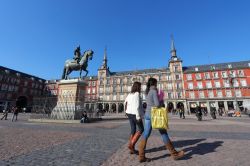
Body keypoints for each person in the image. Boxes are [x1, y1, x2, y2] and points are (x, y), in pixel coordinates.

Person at [138, 78, 184, 162]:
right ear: (154, 83)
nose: (157, 84)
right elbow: (157, 104)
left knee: (146, 133)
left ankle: (141, 156)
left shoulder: (147, 92)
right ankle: (174, 154)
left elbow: (150, 103)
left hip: (147, 115)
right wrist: (161, 101)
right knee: (163, 133)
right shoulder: (154, 91)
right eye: (156, 83)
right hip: (155, 115)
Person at [124, 81, 144, 154]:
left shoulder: (130, 94)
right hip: (135, 114)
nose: (141, 88)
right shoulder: (137, 94)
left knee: (133, 129)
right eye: (140, 87)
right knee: (141, 129)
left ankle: (132, 149)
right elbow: (137, 106)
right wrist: (138, 116)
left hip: (129, 113)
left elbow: (125, 102)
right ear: (138, 87)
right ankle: (131, 144)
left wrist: (125, 111)